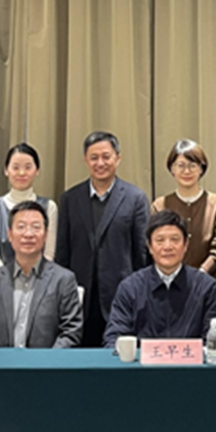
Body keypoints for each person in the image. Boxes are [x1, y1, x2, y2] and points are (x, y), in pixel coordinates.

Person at [56, 131, 150, 347]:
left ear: (118, 158)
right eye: (94, 157)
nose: (100, 163)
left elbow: (142, 254)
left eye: (106, 156)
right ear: (85, 160)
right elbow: (63, 252)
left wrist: (139, 295)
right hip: (80, 300)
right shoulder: (70, 199)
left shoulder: (135, 198)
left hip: (122, 298)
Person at [103, 210, 216, 349]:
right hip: (143, 362)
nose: (168, 246)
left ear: (186, 245)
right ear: (150, 247)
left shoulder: (207, 287)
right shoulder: (130, 287)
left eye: (175, 239)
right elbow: (115, 336)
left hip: (192, 362)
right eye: (160, 240)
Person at [0, 201, 82, 348]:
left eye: (36, 227)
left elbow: (71, 332)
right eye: (21, 227)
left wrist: (47, 359)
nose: (28, 234)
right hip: (0, 362)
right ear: (9, 234)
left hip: (46, 362)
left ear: (46, 235)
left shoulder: (64, 280)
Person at [150, 139, 216, 282]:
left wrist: (203, 271)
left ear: (201, 169)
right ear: (172, 169)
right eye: (180, 165)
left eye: (192, 165)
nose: (186, 171)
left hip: (209, 281)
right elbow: (155, 243)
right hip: (170, 282)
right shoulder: (160, 205)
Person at [0, 143, 58, 271]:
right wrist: (6, 278)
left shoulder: (49, 207)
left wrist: (36, 278)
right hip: (1, 279)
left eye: (28, 167)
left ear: (37, 170)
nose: (22, 173)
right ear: (6, 170)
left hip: (41, 279)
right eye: (15, 167)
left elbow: (49, 253)